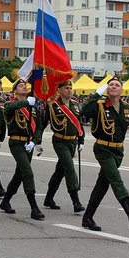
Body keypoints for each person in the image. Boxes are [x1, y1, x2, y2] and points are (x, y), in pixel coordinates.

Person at [79, 77, 129, 231]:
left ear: (122, 90)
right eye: (111, 85)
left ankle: (87, 217)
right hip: (103, 148)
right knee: (115, 179)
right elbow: (83, 112)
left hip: (118, 150)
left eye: (117, 85)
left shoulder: (126, 107)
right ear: (107, 89)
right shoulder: (99, 105)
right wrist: (96, 95)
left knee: (102, 184)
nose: (114, 87)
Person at [0, 79, 45, 220]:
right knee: (27, 172)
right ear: (14, 91)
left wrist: (34, 141)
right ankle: (34, 207)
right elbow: (9, 108)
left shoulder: (33, 108)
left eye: (25, 85)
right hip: (16, 143)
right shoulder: (10, 104)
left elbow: (39, 127)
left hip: (28, 145)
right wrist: (27, 102)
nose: (24, 87)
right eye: (20, 86)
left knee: (19, 174)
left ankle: (5, 201)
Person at [41, 80, 85, 212]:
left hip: (72, 142)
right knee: (69, 168)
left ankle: (48, 198)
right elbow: (43, 123)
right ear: (59, 90)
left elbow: (79, 124)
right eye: (66, 88)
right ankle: (76, 202)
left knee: (60, 171)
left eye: (71, 87)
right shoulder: (52, 105)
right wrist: (37, 141)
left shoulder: (76, 105)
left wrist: (81, 140)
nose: (69, 90)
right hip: (60, 141)